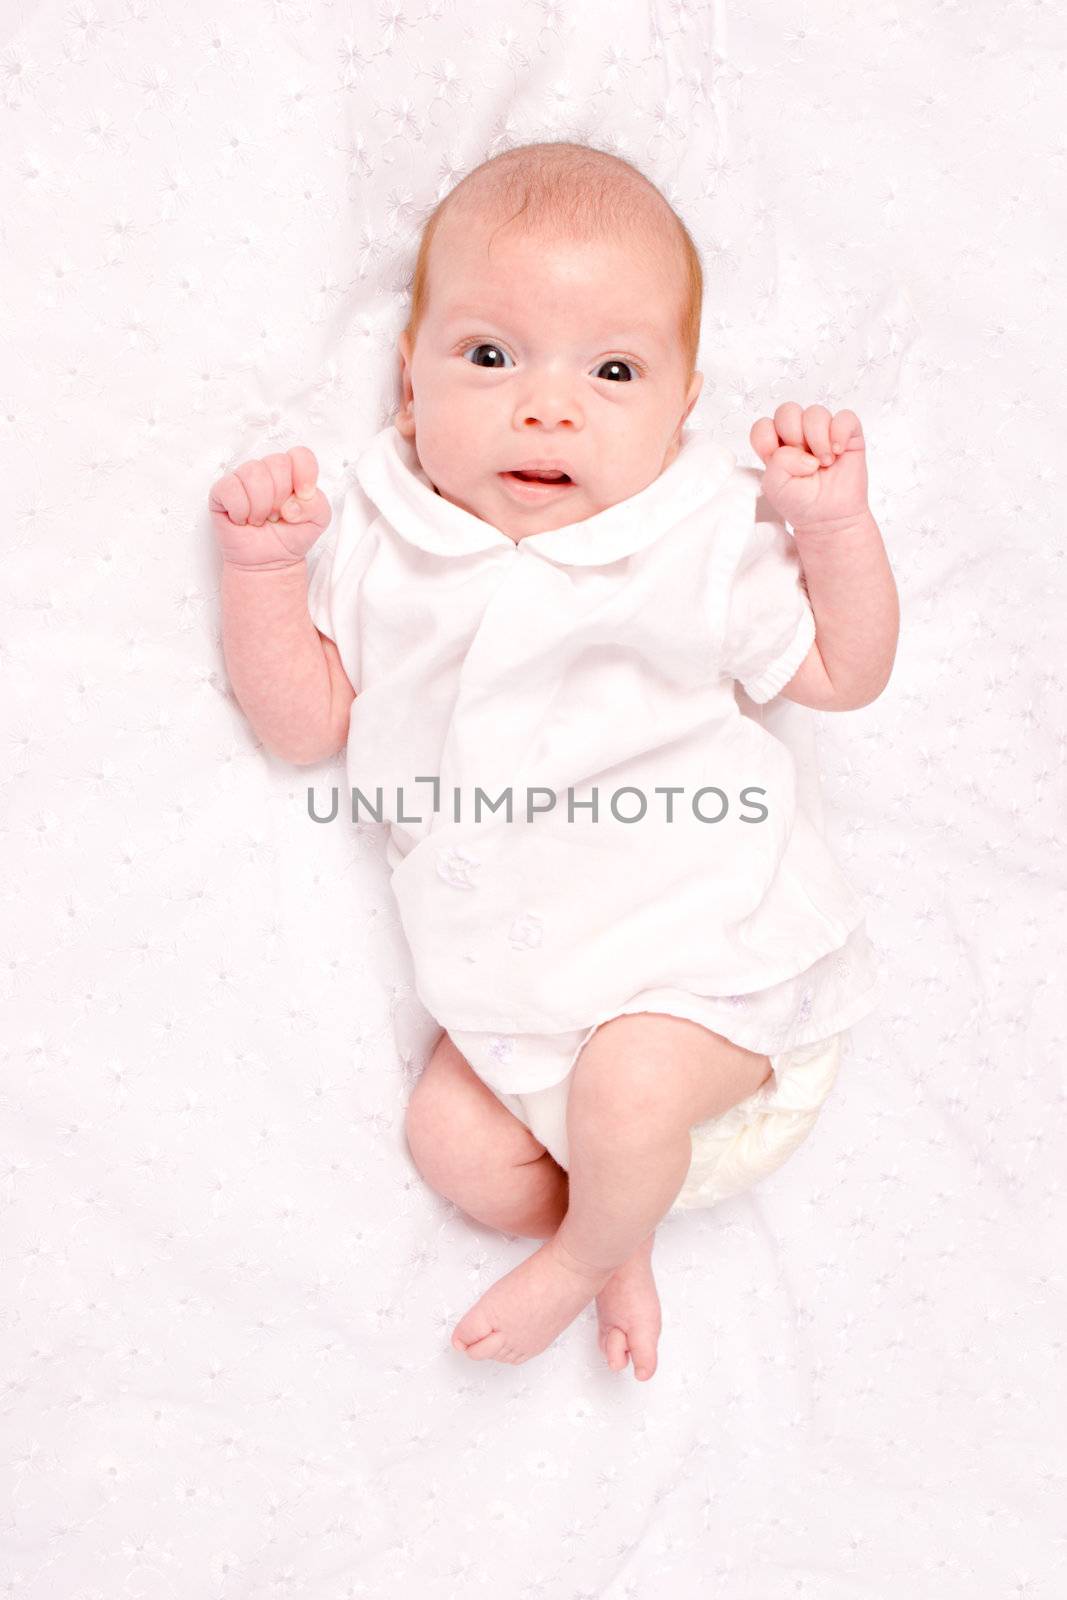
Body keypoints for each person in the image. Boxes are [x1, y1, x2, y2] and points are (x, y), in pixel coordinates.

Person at [211, 140, 899, 1384]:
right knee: (455, 1150)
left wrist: (833, 525)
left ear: (684, 412)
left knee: (632, 1084)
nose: (547, 405)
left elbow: (844, 677)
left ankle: (585, 1256)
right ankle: (607, 1228)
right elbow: (306, 724)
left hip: (715, 966)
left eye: (613, 370)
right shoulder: (375, 535)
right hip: (517, 998)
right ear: (407, 389)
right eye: (489, 357)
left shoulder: (694, 534)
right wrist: (263, 577)